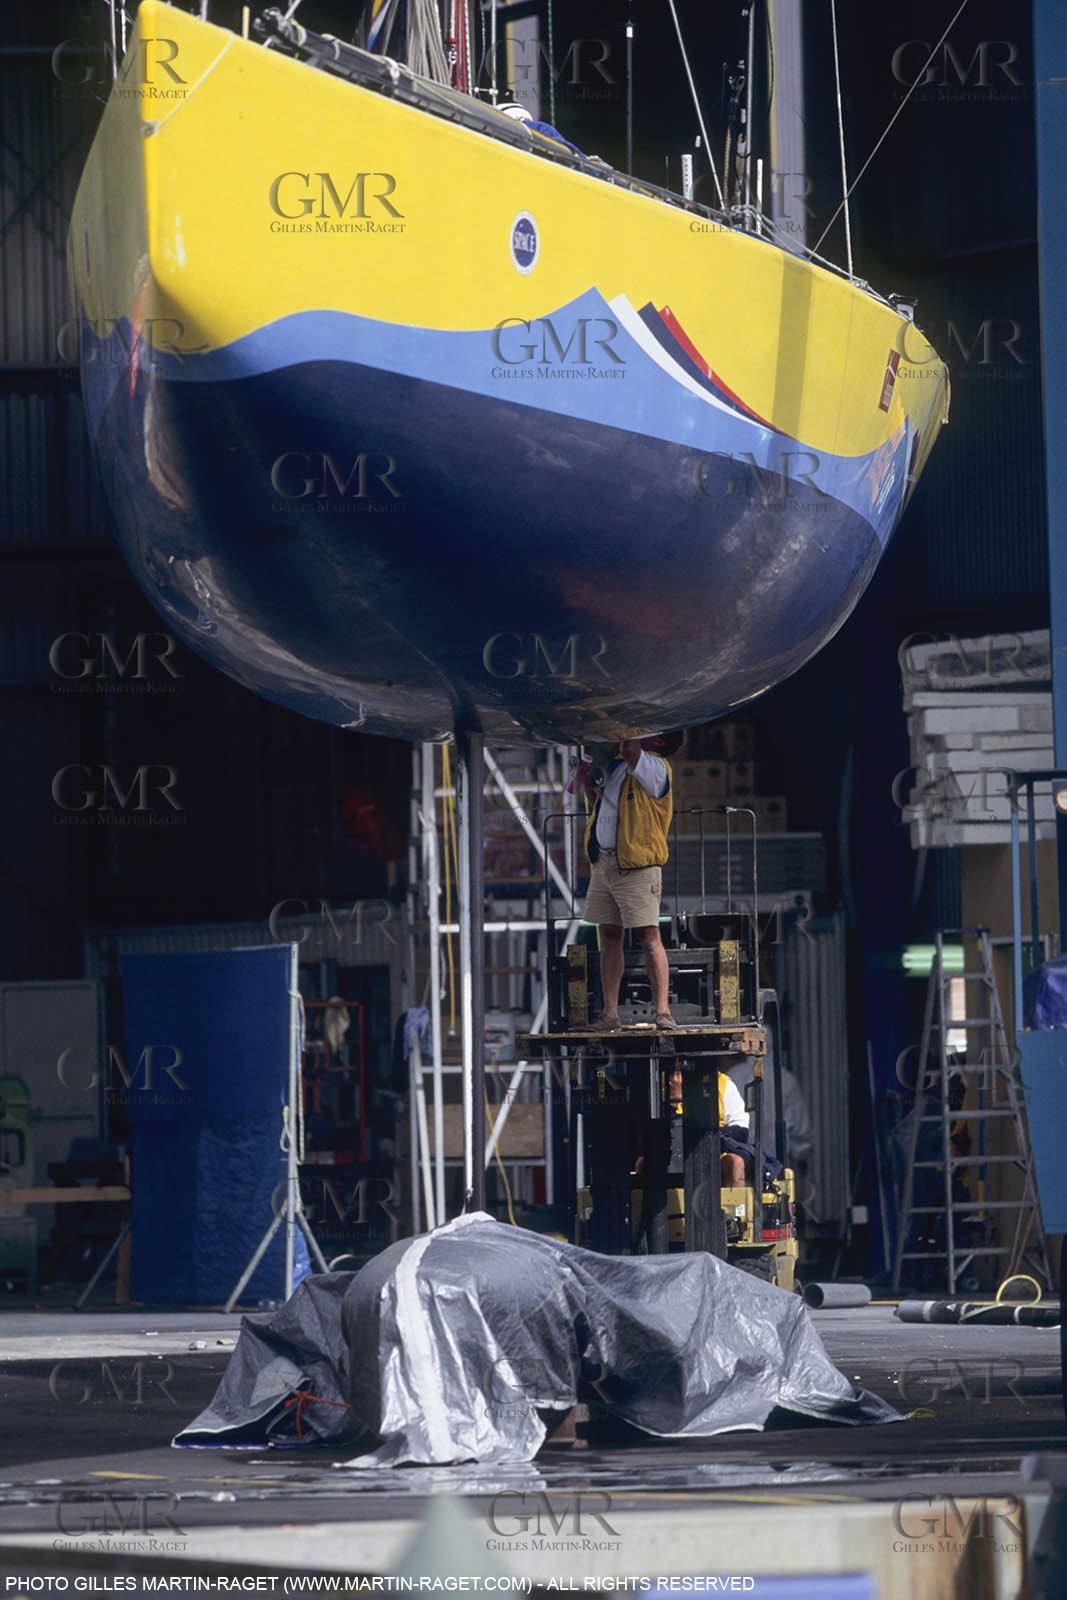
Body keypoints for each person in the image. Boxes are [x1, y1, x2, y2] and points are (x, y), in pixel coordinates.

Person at [580, 731, 684, 1032]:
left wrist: (624, 724)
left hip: (636, 866)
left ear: (659, 742)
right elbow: (596, 801)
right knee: (609, 936)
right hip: (605, 864)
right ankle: (610, 1013)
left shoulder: (655, 768)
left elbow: (628, 748)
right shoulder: (619, 769)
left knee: (648, 937)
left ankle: (663, 1011)